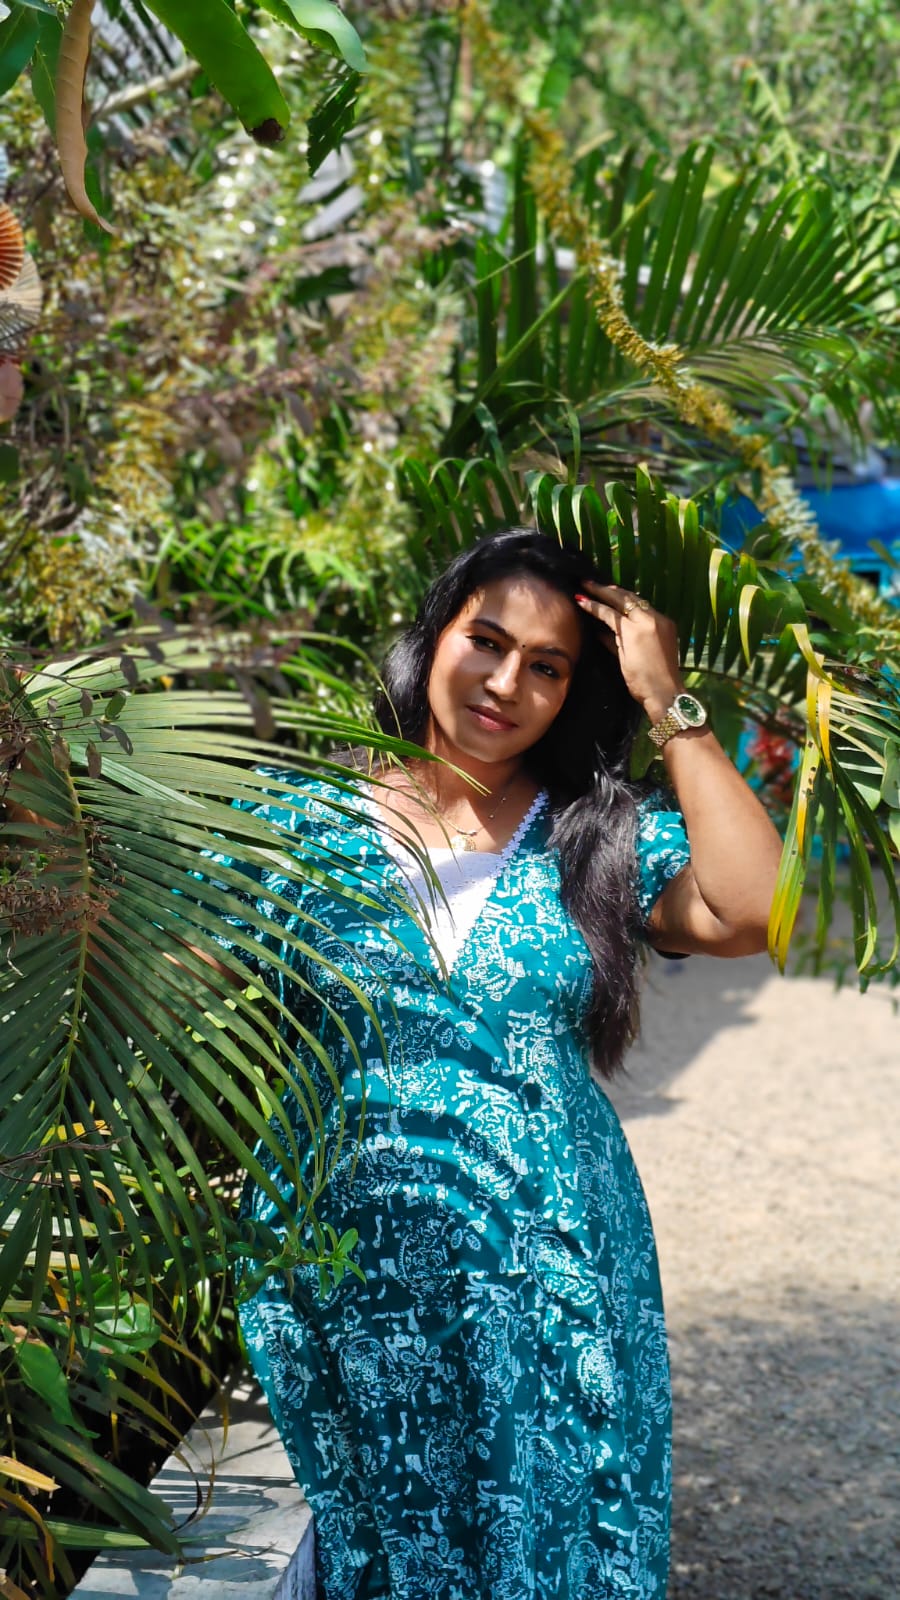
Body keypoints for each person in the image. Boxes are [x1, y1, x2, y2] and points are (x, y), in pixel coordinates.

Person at [208, 528, 782, 1600]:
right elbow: (153, 951)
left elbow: (751, 907)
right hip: (348, 1289)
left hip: (549, 1292)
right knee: (383, 1553)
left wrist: (671, 703)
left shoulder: (592, 839)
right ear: (434, 636)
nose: (506, 681)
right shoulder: (298, 825)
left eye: (550, 666)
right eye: (487, 639)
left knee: (551, 1552)